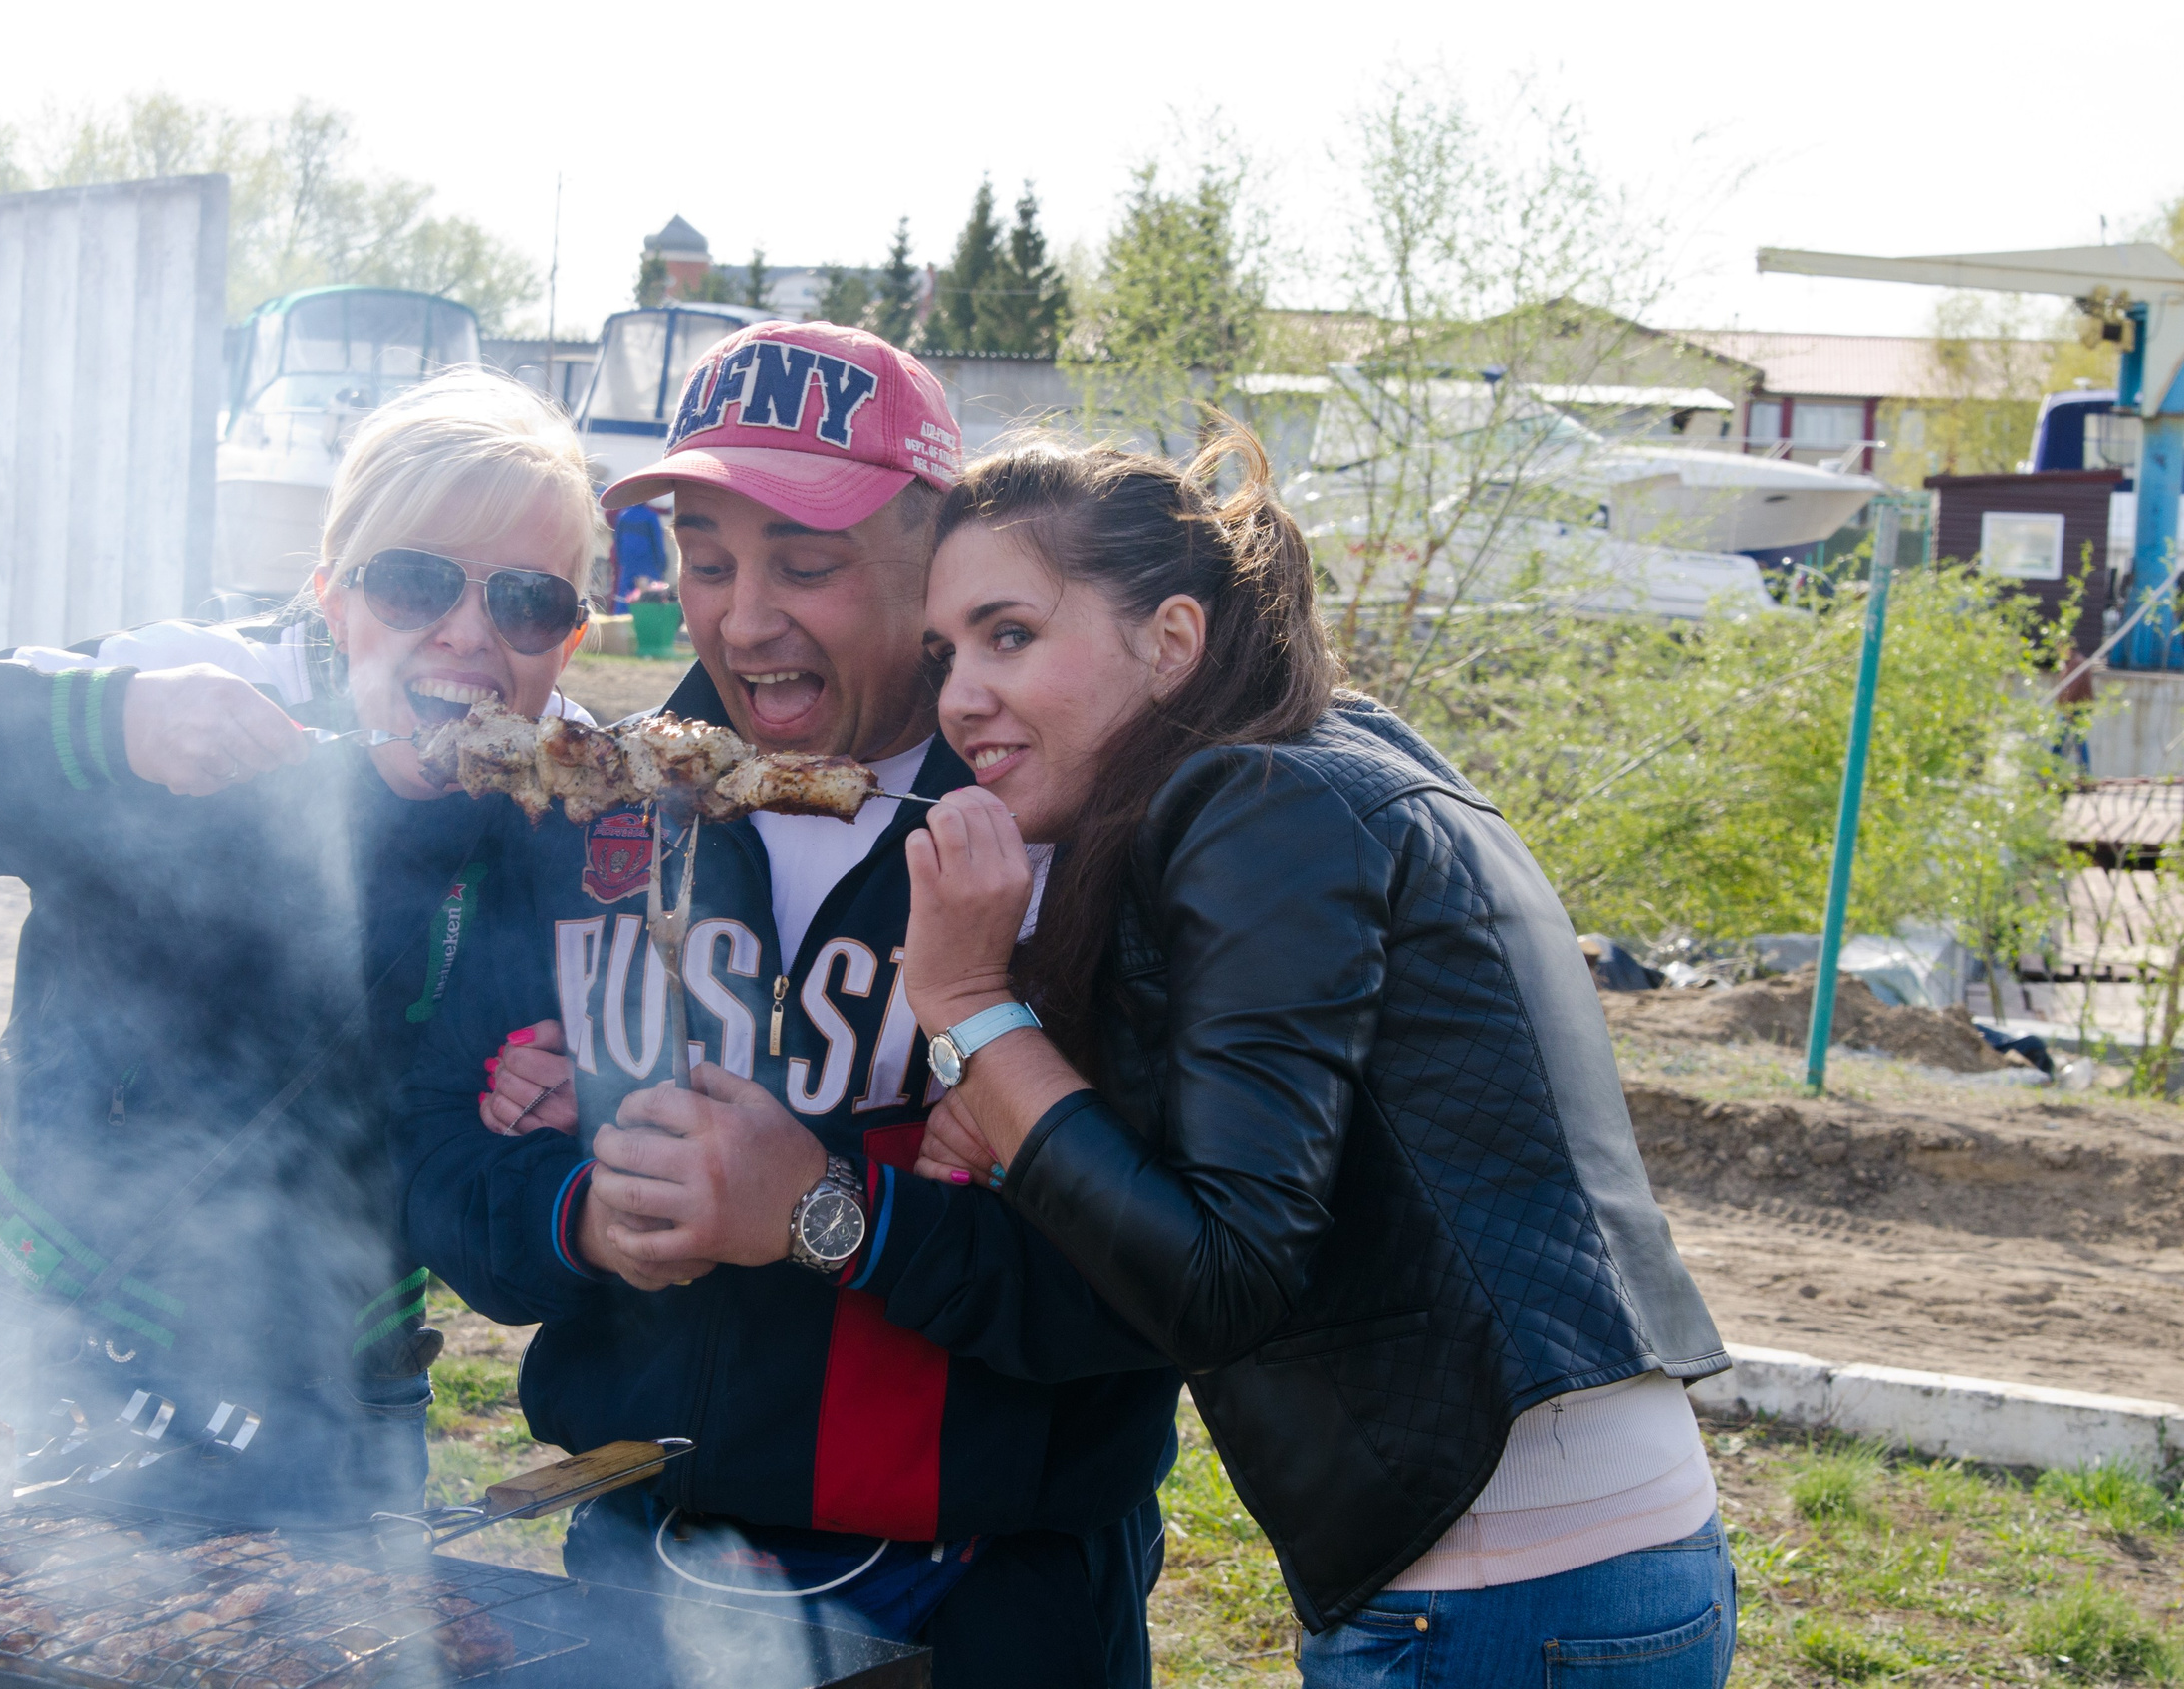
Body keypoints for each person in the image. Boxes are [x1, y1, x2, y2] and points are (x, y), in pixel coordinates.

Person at [393, 321, 1180, 1685]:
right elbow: (435, 1152)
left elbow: (1157, 1287)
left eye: (803, 564)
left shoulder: (1066, 820)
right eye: (705, 561)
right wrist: (587, 1211)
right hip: (648, 1562)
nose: (744, 617)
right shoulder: (598, 807)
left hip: (994, 1598)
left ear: (932, 552)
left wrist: (826, 1211)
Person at [895, 425, 1737, 1687]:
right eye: (944, 650)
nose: (959, 694)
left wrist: (968, 1007)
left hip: (1492, 1595)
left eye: (1009, 634)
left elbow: (1224, 1276)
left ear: (1170, 641)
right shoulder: (1348, 754)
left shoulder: (1259, 803)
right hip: (1591, 1566)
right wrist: (1031, 1116)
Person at [0, 370, 600, 1525]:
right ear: (332, 596)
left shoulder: (571, 812)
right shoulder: (187, 691)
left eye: (526, 601)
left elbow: (496, 1242)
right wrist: (101, 728)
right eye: (416, 580)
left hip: (338, 1402)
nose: (469, 633)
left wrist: (544, 1139)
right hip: (39, 1349)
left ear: (569, 636)